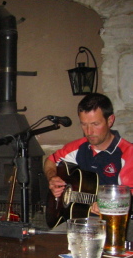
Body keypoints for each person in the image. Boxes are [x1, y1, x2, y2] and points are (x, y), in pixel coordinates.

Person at [44, 93, 133, 226]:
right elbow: (50, 161)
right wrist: (52, 178)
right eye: (84, 125)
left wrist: (108, 207)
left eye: (95, 124)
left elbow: (128, 198)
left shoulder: (127, 154)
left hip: (111, 224)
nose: (89, 131)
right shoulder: (79, 147)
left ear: (110, 120)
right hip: (76, 221)